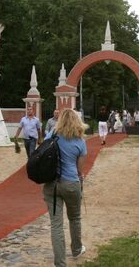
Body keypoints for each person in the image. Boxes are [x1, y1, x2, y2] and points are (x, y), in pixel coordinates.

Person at [42, 108, 87, 267]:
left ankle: (60, 263)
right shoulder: (80, 141)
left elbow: (42, 152)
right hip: (71, 184)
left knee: (56, 225)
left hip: (52, 185)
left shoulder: (52, 136)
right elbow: (79, 169)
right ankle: (76, 249)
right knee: (75, 218)